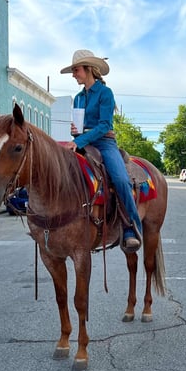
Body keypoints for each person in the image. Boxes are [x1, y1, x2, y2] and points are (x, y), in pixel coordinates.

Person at [61, 49, 142, 252]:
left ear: (88, 69)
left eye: (76, 70)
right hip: (82, 142)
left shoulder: (105, 93)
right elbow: (80, 126)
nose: (73, 74)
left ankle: (131, 227)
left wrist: (81, 139)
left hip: (104, 143)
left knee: (121, 180)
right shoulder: (78, 97)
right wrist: (75, 133)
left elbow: (105, 125)